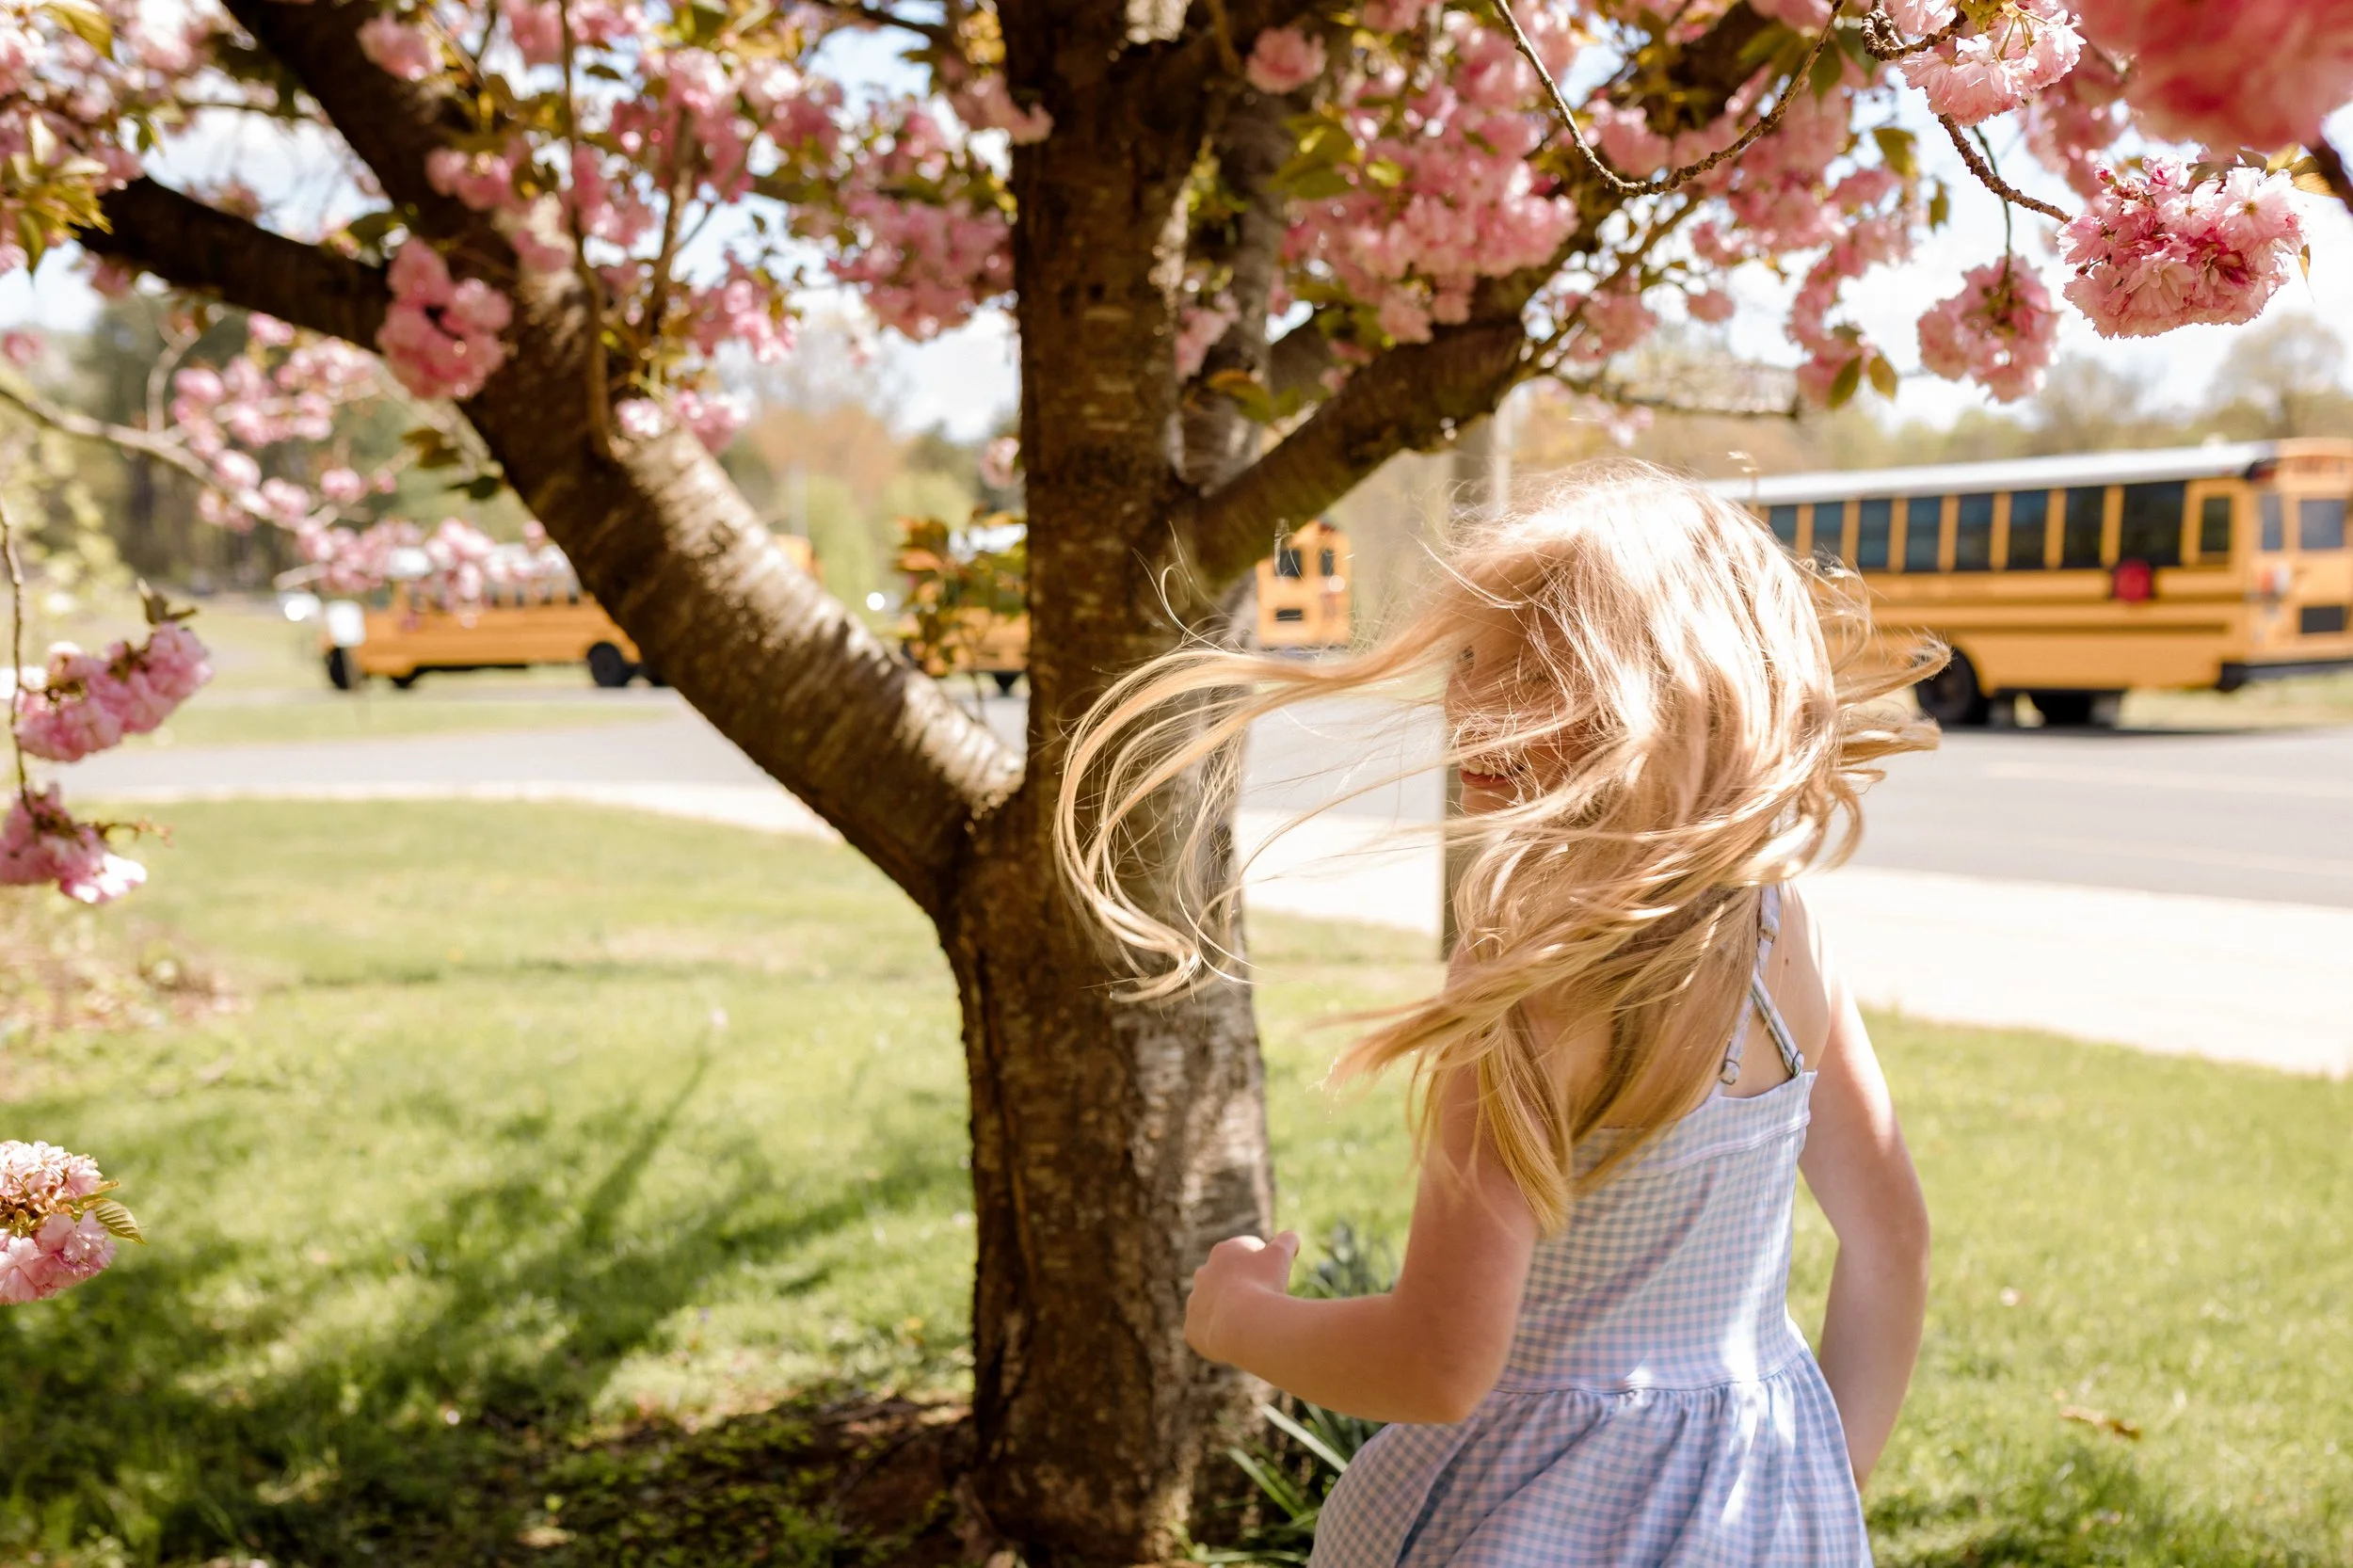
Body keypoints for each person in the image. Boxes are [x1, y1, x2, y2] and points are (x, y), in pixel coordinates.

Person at [1054, 461, 1940, 1565]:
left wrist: (1236, 1320)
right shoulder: (1778, 932)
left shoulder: (1531, 983)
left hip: (1528, 1515)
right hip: (1756, 1508)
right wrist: (1826, 1475)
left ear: (1625, 703)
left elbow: (1437, 1362)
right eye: (1461, 659)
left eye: (1502, 669)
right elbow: (1891, 1237)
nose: (1455, 698)